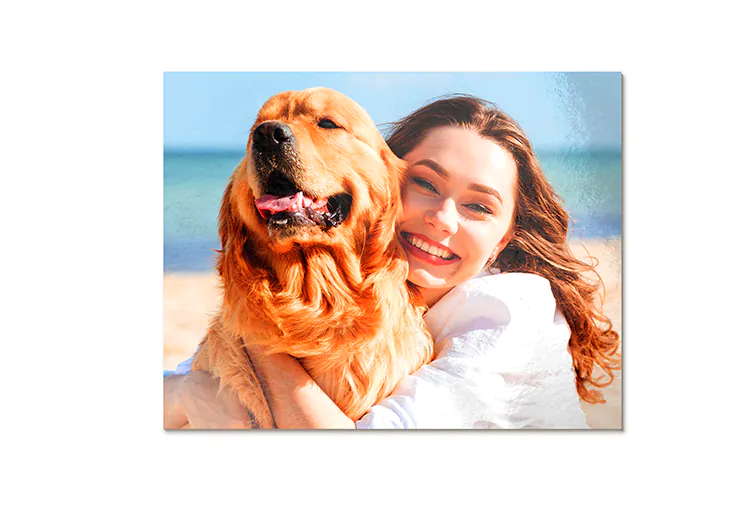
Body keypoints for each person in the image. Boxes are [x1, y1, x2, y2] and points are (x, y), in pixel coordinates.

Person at [164, 95, 620, 429]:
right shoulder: (373, 292)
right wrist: (188, 392)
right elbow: (178, 383)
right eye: (426, 184)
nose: (442, 219)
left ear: (504, 238)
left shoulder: (509, 310)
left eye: (479, 207)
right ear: (389, 183)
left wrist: (258, 337)